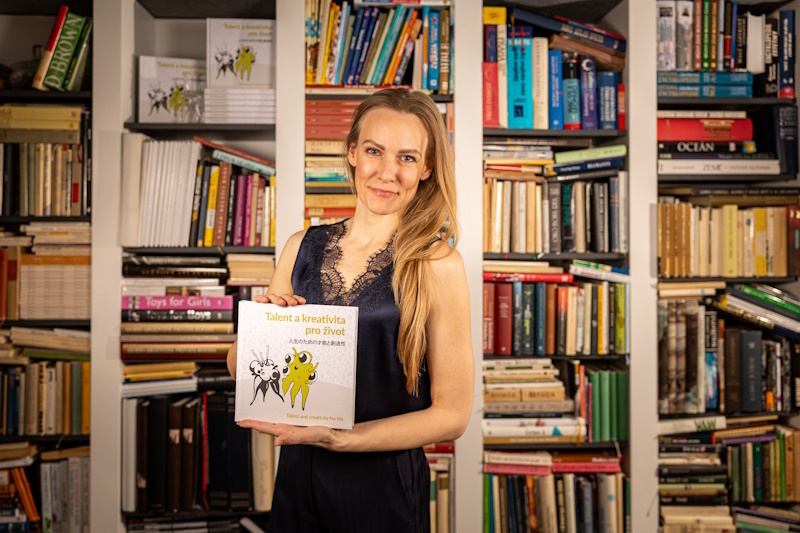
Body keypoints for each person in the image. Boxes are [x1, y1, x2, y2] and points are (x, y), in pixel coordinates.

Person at [226, 88, 474, 532]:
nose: (387, 173)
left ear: (426, 168)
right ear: (353, 152)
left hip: (384, 487)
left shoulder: (438, 263)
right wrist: (260, 332)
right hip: (298, 475)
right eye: (375, 151)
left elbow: (453, 415)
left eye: (407, 158)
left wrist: (345, 440)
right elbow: (241, 370)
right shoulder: (301, 246)